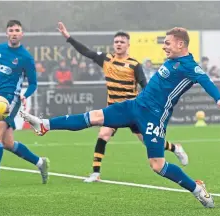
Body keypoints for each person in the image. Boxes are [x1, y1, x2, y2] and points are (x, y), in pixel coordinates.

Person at [21, 27, 220, 208]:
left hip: (154, 117)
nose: (164, 47)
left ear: (181, 44)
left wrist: (219, 99)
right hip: (134, 105)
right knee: (94, 117)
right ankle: (45, 124)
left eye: (167, 43)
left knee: (157, 165)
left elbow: (206, 81)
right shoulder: (171, 60)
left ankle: (196, 188)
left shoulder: (189, 66)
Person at [56, 22, 188, 182]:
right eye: (116, 42)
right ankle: (96, 173)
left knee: (147, 141)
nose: (119, 44)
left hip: (134, 111)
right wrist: (68, 37)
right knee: (103, 134)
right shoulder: (106, 59)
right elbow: (86, 52)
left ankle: (175, 148)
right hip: (114, 109)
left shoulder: (134, 64)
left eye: (122, 42)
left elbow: (145, 86)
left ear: (128, 45)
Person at [0, 20, 50, 188]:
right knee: (7, 143)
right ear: (6, 33)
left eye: (17, 30)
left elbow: (33, 83)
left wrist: (25, 95)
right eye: (11, 30)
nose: (14, 33)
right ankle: (40, 162)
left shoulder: (26, 57)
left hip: (10, 99)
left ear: (22, 34)